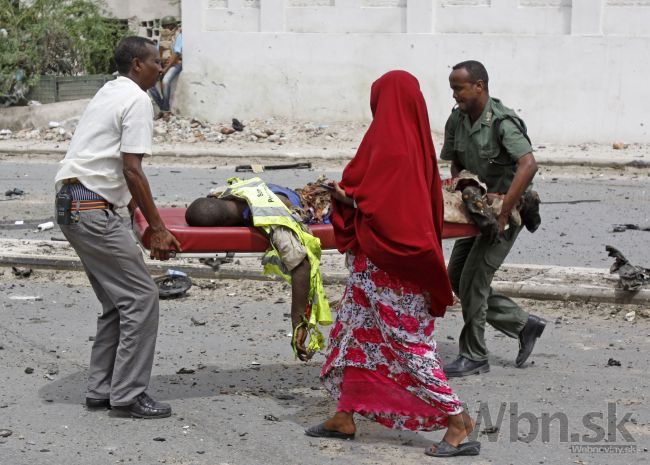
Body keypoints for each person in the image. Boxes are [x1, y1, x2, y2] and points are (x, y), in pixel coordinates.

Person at [305, 71, 480, 458]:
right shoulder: (411, 143)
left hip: (392, 269)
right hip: (372, 266)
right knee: (351, 334)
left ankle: (457, 421)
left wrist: (348, 199)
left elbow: (385, 210)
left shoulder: (393, 148)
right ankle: (344, 415)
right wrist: (352, 197)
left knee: (407, 345)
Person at [54, 36, 181, 418]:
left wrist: (138, 221)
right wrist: (157, 228)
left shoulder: (109, 91)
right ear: (137, 66)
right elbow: (132, 169)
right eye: (156, 63)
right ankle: (127, 395)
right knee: (142, 298)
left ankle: (102, 388)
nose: (162, 68)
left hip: (71, 205)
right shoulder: (138, 100)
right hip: (91, 210)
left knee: (117, 301)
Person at [440, 60, 546, 378]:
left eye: (458, 88)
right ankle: (523, 324)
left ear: (479, 86)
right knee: (455, 275)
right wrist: (467, 189)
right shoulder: (457, 120)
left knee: (474, 279)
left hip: (508, 211)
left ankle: (474, 355)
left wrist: (501, 213)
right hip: (478, 211)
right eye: (452, 88)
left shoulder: (502, 122)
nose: (455, 95)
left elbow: (528, 165)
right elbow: (455, 164)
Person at [185, 177, 332, 362]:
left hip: (310, 201)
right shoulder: (232, 190)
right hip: (290, 190)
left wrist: (298, 324)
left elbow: (300, 263)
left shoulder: (272, 213)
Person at [149, 16, 182, 119]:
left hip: (176, 64)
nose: (167, 28)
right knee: (150, 84)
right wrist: (158, 67)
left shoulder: (179, 36)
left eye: (169, 26)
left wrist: (165, 70)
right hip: (163, 65)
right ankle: (163, 109)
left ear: (173, 26)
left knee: (165, 81)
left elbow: (176, 53)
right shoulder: (162, 38)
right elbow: (157, 52)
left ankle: (165, 110)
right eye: (165, 26)